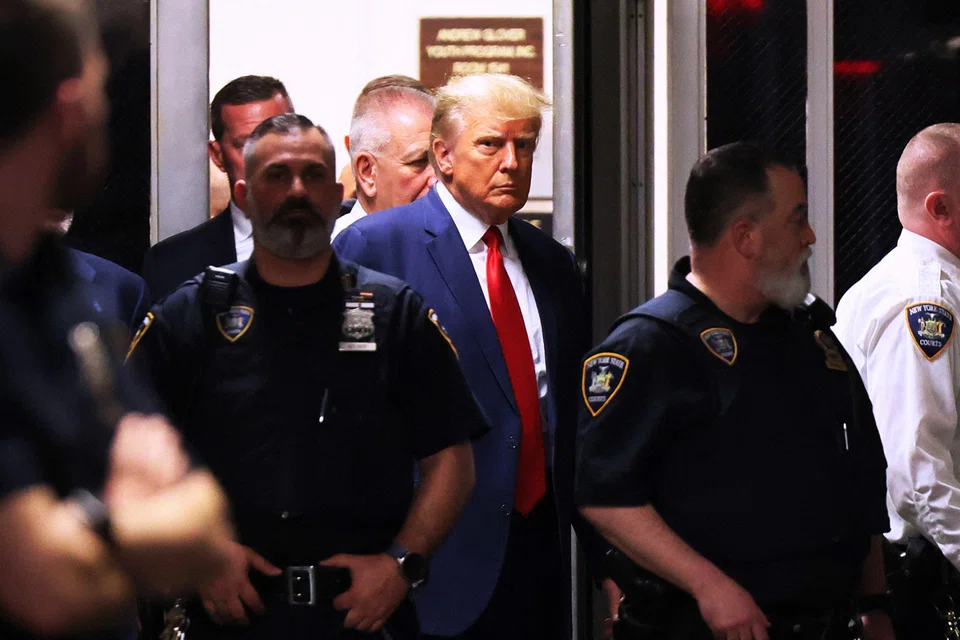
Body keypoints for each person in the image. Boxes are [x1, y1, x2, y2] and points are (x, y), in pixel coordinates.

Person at [128, 113, 484, 639]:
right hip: (228, 616)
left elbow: (452, 461)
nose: (297, 189)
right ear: (244, 195)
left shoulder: (394, 314)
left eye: (313, 174)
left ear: (336, 191)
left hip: (362, 615)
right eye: (278, 175)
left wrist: (401, 564)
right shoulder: (192, 314)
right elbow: (126, 454)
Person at [575, 142, 894, 640]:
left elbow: (860, 476)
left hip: (829, 619)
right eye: (797, 219)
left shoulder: (808, 335)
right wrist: (709, 586)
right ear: (745, 237)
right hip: (712, 625)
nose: (810, 236)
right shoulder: (652, 345)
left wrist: (875, 604)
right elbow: (604, 496)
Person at [334, 73, 606, 640]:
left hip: (538, 556)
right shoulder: (377, 246)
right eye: (491, 144)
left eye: (525, 144)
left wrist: (605, 562)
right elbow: (346, 412)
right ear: (443, 156)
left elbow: (570, 423)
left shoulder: (550, 262)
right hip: (427, 562)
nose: (512, 162)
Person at [0, 1, 234, 639]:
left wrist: (87, 528)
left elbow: (206, 524)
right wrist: (138, 512)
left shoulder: (60, 286)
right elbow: (49, 584)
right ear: (70, 111)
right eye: (105, 88)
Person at [834, 123, 960, 636]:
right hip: (921, 580)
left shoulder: (903, 283)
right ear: (941, 208)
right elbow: (918, 474)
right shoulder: (925, 301)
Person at [140, 75, 294, 302]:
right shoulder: (173, 263)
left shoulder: (344, 237)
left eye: (281, 138)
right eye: (247, 145)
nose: (268, 157)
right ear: (218, 155)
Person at [332, 76, 436, 239]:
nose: (437, 179)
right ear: (367, 172)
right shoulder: (331, 257)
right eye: (418, 162)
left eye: (442, 159)